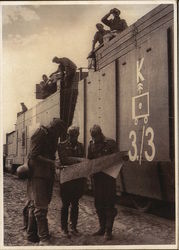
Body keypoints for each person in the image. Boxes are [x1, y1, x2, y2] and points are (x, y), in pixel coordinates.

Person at [25, 118, 66, 245]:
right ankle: (44, 238)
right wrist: (53, 163)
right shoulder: (40, 133)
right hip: (37, 174)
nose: (59, 136)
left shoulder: (52, 136)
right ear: (54, 128)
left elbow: (51, 155)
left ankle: (32, 235)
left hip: (47, 174)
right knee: (40, 207)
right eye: (59, 132)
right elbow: (33, 155)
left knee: (37, 205)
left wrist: (56, 164)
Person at [88, 124, 118, 241]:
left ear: (100, 134)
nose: (94, 139)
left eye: (96, 137)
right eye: (93, 137)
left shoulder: (110, 143)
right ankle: (102, 228)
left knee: (109, 204)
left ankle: (108, 231)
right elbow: (89, 160)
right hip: (97, 179)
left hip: (109, 179)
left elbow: (117, 159)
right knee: (98, 204)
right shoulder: (91, 145)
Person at [58, 125, 85, 238]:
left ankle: (73, 226)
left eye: (75, 135)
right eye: (71, 135)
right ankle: (64, 228)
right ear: (68, 135)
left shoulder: (81, 146)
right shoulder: (61, 145)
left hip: (77, 179)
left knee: (75, 204)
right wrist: (79, 160)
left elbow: (84, 160)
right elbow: (64, 159)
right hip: (66, 179)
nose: (73, 137)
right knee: (65, 204)